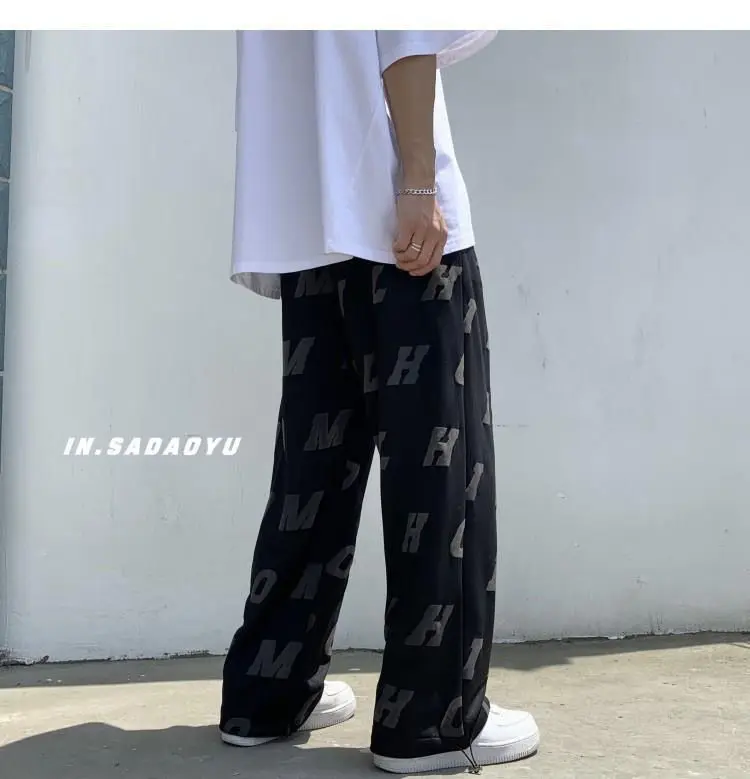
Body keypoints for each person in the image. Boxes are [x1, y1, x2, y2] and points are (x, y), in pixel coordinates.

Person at [219, 30, 540, 774]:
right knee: (441, 466)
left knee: (313, 469)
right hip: (395, 216)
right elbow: (403, 30)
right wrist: (419, 184)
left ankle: (267, 693)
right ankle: (433, 721)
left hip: (309, 223)